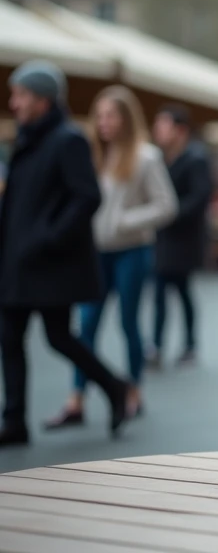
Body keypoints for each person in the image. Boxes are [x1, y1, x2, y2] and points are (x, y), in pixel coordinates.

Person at [0, 62, 131, 446]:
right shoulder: (26, 139)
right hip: (17, 262)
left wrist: (47, 237)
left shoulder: (66, 139)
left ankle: (113, 385)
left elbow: (87, 196)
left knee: (58, 337)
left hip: (46, 263)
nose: (14, 102)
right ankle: (15, 421)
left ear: (42, 99)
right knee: (9, 337)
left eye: (20, 95)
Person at [48, 86, 177, 427]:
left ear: (126, 119)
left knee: (128, 323)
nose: (103, 123)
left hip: (132, 251)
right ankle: (76, 399)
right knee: (86, 325)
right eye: (99, 115)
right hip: (94, 253)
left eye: (111, 115)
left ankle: (133, 391)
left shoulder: (146, 156)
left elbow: (167, 205)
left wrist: (126, 221)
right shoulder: (90, 153)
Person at [148, 104, 213, 367]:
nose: (158, 130)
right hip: (165, 237)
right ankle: (161, 346)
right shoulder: (161, 159)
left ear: (180, 130)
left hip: (184, 238)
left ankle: (183, 344)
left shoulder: (194, 158)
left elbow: (199, 198)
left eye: (163, 125)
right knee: (165, 290)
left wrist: (168, 213)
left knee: (178, 290)